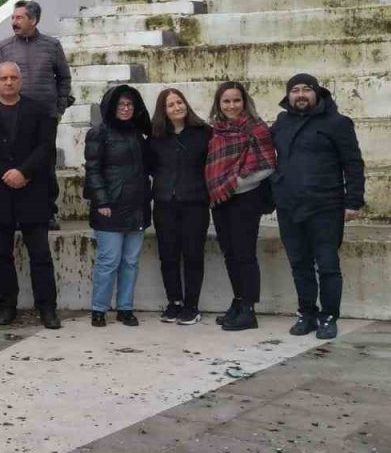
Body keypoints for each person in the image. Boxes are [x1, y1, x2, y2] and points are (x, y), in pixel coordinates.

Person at [270, 73, 365, 341]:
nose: (301, 95)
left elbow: (353, 164)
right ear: (288, 95)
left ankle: (329, 316)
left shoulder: (337, 123)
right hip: (289, 206)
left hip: (326, 206)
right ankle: (307, 313)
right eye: (295, 90)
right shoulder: (281, 122)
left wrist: (354, 201)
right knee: (299, 263)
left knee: (327, 265)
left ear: (317, 93)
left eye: (306, 90)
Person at [0, 62, 61, 330]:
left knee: (40, 255)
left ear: (20, 81)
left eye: (13, 78)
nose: (8, 82)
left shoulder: (38, 111)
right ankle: (7, 304)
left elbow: (45, 147)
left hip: (32, 191)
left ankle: (47, 307)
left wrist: (24, 172)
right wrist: (5, 173)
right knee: (0, 254)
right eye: (3, 78)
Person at [0, 0, 74, 228]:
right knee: (16, 165)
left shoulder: (52, 45)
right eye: (13, 18)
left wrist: (59, 108)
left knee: (45, 164)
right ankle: (16, 213)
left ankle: (48, 211)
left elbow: (64, 78)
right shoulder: (4, 47)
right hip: (12, 116)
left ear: (33, 20)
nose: (14, 22)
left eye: (19, 18)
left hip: (46, 116)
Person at [206, 81, 277, 332]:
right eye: (226, 101)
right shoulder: (216, 130)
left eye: (236, 100)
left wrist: (234, 183)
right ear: (219, 104)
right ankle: (238, 301)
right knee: (229, 253)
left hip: (246, 198)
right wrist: (221, 187)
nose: (232, 105)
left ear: (244, 102)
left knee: (245, 253)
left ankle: (249, 310)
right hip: (221, 198)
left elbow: (267, 164)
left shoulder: (256, 129)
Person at [84, 85, 152, 328]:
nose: (125, 109)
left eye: (130, 105)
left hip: (137, 206)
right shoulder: (98, 133)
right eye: (121, 104)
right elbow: (92, 169)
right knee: (109, 260)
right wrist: (101, 200)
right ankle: (99, 309)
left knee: (130, 261)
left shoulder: (138, 133)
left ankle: (125, 308)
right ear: (112, 107)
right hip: (110, 206)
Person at [148, 89, 211, 326]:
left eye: (179, 102)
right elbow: (151, 166)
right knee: (168, 255)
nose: (177, 107)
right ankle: (173, 301)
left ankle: (191, 305)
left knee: (193, 254)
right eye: (170, 104)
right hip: (165, 204)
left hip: (195, 203)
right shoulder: (156, 137)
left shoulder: (203, 132)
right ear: (163, 110)